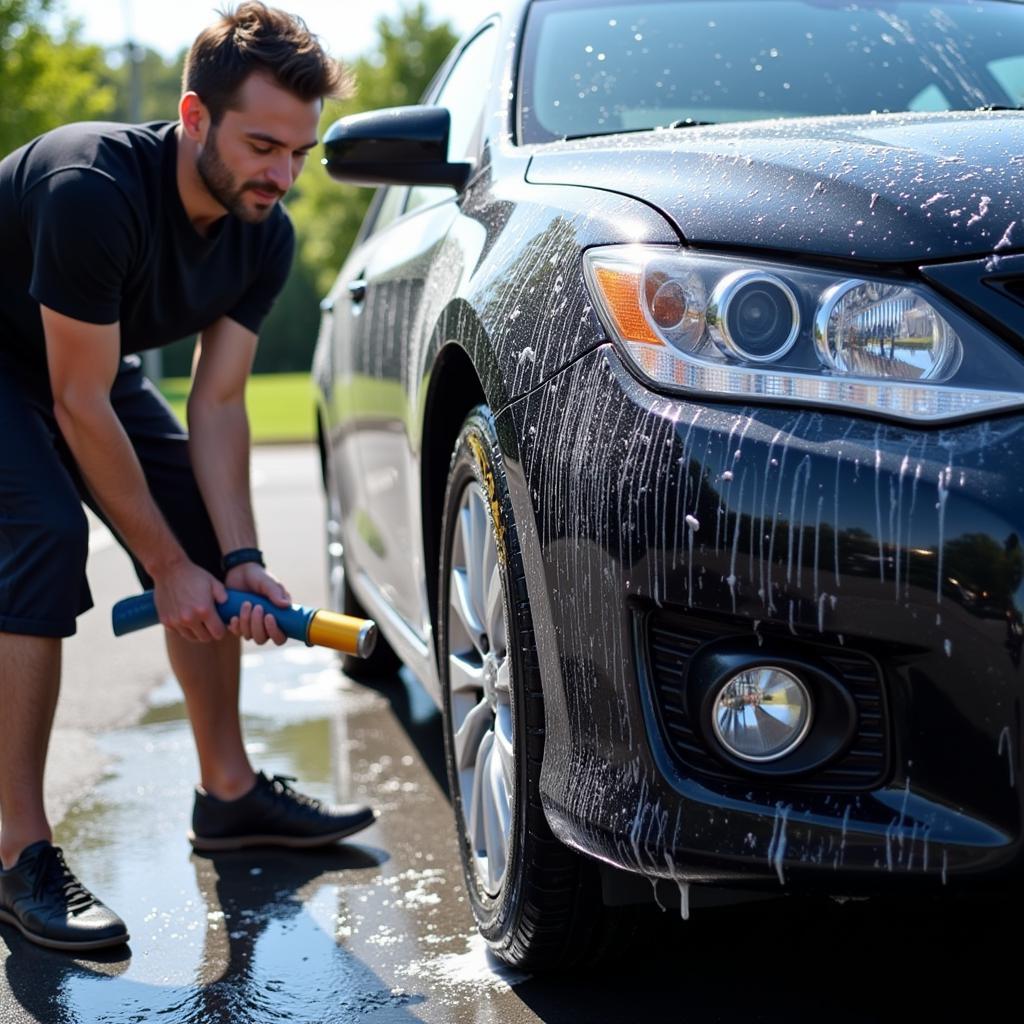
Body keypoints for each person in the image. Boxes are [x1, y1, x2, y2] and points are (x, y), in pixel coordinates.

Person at [0, 2, 373, 953]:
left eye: (299, 153)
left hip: (83, 369)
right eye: (262, 146)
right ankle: (16, 852)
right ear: (194, 116)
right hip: (16, 365)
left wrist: (235, 556)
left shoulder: (265, 233)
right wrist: (165, 571)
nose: (281, 176)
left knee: (206, 546)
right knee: (41, 532)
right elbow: (76, 405)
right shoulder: (91, 187)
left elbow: (217, 405)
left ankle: (231, 794)